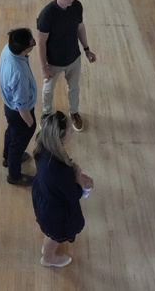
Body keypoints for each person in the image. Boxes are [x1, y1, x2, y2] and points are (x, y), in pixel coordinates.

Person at [32, 111, 93, 268]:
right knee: (55, 236)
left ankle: (48, 244)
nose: (73, 131)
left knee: (51, 232)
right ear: (61, 138)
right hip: (54, 211)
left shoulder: (42, 140)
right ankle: (49, 257)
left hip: (44, 195)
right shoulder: (59, 171)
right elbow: (73, 194)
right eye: (70, 129)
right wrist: (79, 180)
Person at [37, 0, 96, 132]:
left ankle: (74, 112)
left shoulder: (76, 6)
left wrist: (87, 49)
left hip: (73, 58)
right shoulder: (46, 15)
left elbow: (80, 28)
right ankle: (46, 114)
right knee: (48, 89)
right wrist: (44, 66)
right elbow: (41, 43)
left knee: (74, 87)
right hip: (54, 62)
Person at [0, 27, 38, 186]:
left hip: (9, 107)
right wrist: (30, 123)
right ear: (24, 51)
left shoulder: (8, 48)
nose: (33, 43)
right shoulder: (19, 74)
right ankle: (14, 175)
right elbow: (22, 105)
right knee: (18, 143)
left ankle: (7, 157)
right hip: (19, 112)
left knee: (12, 131)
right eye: (32, 42)